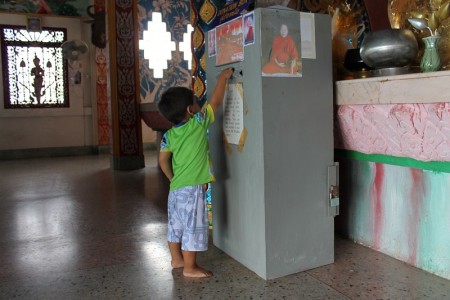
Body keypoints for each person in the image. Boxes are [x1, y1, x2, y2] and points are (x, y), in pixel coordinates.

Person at [157, 67, 234, 278]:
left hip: (176, 190)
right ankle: (190, 268)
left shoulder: (168, 136)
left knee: (175, 225)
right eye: (195, 102)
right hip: (191, 191)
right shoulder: (198, 124)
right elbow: (216, 103)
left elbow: (163, 159)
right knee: (192, 226)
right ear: (190, 111)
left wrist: (172, 178)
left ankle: (176, 260)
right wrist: (222, 78)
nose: (199, 104)